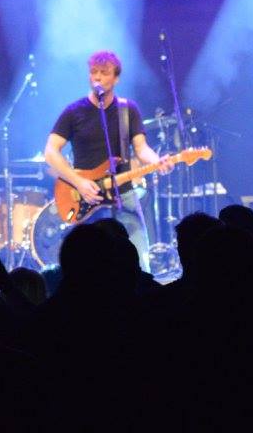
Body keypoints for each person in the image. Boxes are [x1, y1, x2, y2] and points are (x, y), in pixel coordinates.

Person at [44, 50, 170, 272]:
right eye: (93, 72)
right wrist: (78, 181)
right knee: (88, 267)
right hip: (87, 195)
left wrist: (158, 161)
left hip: (124, 194)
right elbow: (51, 151)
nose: (97, 77)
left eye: (104, 73)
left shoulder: (127, 110)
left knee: (140, 264)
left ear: (116, 78)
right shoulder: (74, 111)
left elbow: (141, 148)